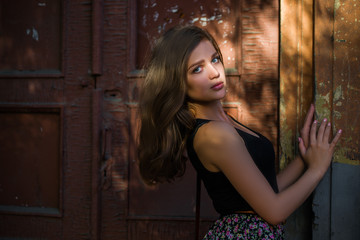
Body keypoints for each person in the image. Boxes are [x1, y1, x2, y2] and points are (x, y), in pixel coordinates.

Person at [137, 25, 342, 239]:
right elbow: (274, 211)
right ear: (177, 81)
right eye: (197, 69)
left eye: (215, 59)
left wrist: (304, 160)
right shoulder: (214, 134)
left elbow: (264, 192)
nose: (215, 72)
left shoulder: (222, 121)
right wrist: (316, 170)